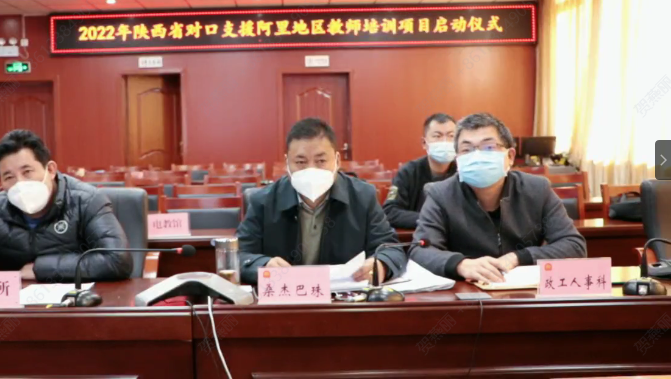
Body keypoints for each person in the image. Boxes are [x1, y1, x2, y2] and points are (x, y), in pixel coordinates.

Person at [0, 130, 133, 287]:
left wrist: (41, 268)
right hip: (17, 309)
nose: (20, 183)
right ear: (0, 183)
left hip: (77, 306)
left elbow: (117, 260)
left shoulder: (86, 200)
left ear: (50, 170)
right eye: (9, 177)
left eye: (27, 172)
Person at [409, 113, 586, 284]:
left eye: (488, 147)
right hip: (467, 293)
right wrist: (460, 264)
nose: (477, 156)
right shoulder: (440, 194)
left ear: (510, 156)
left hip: (524, 292)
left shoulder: (537, 189)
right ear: (457, 159)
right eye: (467, 150)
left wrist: (519, 257)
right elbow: (420, 250)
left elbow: (573, 245)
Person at [237, 118, 406, 284]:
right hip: (285, 295)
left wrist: (381, 264)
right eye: (300, 162)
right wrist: (263, 264)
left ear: (337, 161)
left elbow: (390, 249)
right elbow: (239, 254)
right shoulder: (263, 201)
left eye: (321, 161)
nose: (311, 169)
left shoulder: (363, 196)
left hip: (344, 297)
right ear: (287, 164)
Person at [384, 113, 458, 229]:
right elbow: (390, 211)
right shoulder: (408, 172)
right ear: (424, 143)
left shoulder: (463, 172)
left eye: (451, 136)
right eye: (437, 136)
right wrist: (431, 219)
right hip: (419, 233)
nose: (445, 141)